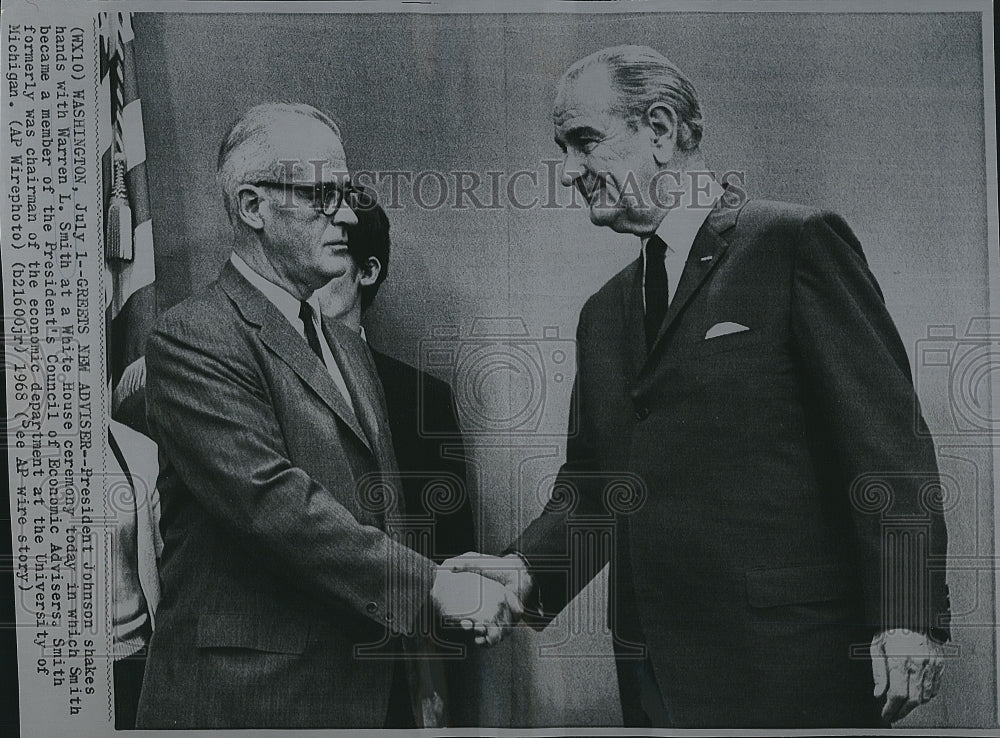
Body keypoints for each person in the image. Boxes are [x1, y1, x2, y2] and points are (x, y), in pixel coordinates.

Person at [447, 45, 950, 728]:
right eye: (562, 148)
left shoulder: (795, 244)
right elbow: (596, 488)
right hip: (655, 677)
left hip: (793, 667)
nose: (568, 172)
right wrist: (524, 572)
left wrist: (907, 613)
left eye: (583, 142)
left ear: (658, 129)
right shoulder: (603, 312)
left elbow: (885, 446)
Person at [135, 103, 520, 729]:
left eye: (345, 193)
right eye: (322, 194)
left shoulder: (344, 345)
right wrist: (433, 587)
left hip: (360, 694)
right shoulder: (191, 337)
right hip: (248, 704)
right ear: (252, 207)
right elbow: (272, 504)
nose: (346, 213)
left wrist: (443, 574)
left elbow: (378, 508)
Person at [315, 192, 479, 726]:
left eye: (330, 261)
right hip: (296, 669)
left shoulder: (419, 398)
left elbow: (450, 547)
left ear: (368, 271)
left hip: (397, 673)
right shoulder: (251, 381)